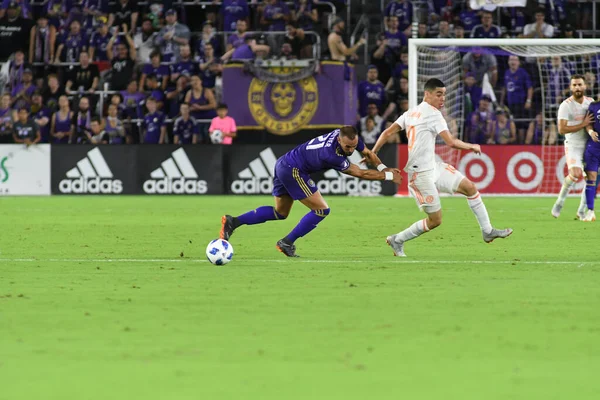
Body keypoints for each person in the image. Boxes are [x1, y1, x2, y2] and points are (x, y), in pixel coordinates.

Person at [372, 78, 512, 257]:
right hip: (420, 175)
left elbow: (386, 133)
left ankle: (487, 231)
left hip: (434, 168)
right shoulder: (433, 114)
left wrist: (373, 153)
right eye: (439, 94)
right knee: (435, 220)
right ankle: (397, 239)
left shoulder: (411, 112)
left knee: (470, 187)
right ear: (427, 94)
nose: (442, 98)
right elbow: (451, 142)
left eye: (444, 94)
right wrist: (471, 146)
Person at [219, 126, 403, 257]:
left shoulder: (348, 136)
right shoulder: (330, 154)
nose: (352, 149)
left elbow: (368, 153)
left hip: (284, 163)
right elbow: (359, 173)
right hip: (294, 170)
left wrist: (383, 168)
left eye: (354, 146)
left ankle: (233, 222)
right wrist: (387, 177)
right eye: (348, 147)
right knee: (322, 210)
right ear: (339, 140)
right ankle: (286, 242)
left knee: (280, 213)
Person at [551, 75, 594, 219]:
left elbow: (593, 123)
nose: (577, 87)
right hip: (573, 145)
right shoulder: (566, 105)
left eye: (579, 84)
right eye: (574, 85)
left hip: (588, 144)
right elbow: (561, 130)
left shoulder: (591, 103)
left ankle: (581, 211)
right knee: (575, 174)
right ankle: (559, 202)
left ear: (585, 86)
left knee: (591, 177)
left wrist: (592, 131)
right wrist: (583, 124)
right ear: (570, 87)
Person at [500, 56, 533, 143]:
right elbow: (504, 88)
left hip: (521, 103)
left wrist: (528, 100)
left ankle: (521, 144)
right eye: (511, 60)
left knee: (520, 126)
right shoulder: (506, 73)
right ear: (508, 62)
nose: (513, 62)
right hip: (510, 104)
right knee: (511, 124)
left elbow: (530, 88)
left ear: (518, 62)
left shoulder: (523, 73)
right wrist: (501, 101)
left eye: (515, 60)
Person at [581, 100, 600, 221]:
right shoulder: (594, 106)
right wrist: (590, 131)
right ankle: (590, 211)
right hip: (594, 145)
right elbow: (588, 123)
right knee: (591, 177)